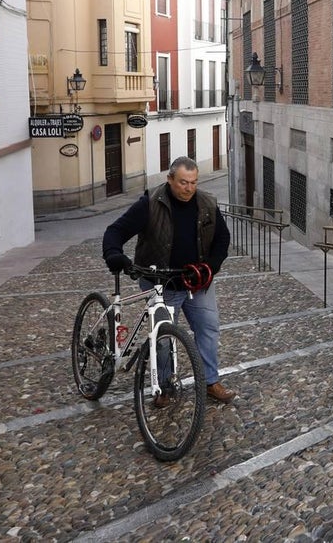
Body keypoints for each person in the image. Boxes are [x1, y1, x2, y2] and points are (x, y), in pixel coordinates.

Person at [101, 156, 236, 403]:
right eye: (183, 182)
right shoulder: (151, 203)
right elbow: (116, 231)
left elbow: (222, 238)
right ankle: (164, 386)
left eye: (193, 182)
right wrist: (113, 253)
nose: (189, 188)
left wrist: (211, 266)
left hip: (197, 282)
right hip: (159, 283)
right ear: (170, 179)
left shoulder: (207, 203)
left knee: (208, 328)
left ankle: (210, 382)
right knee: (163, 338)